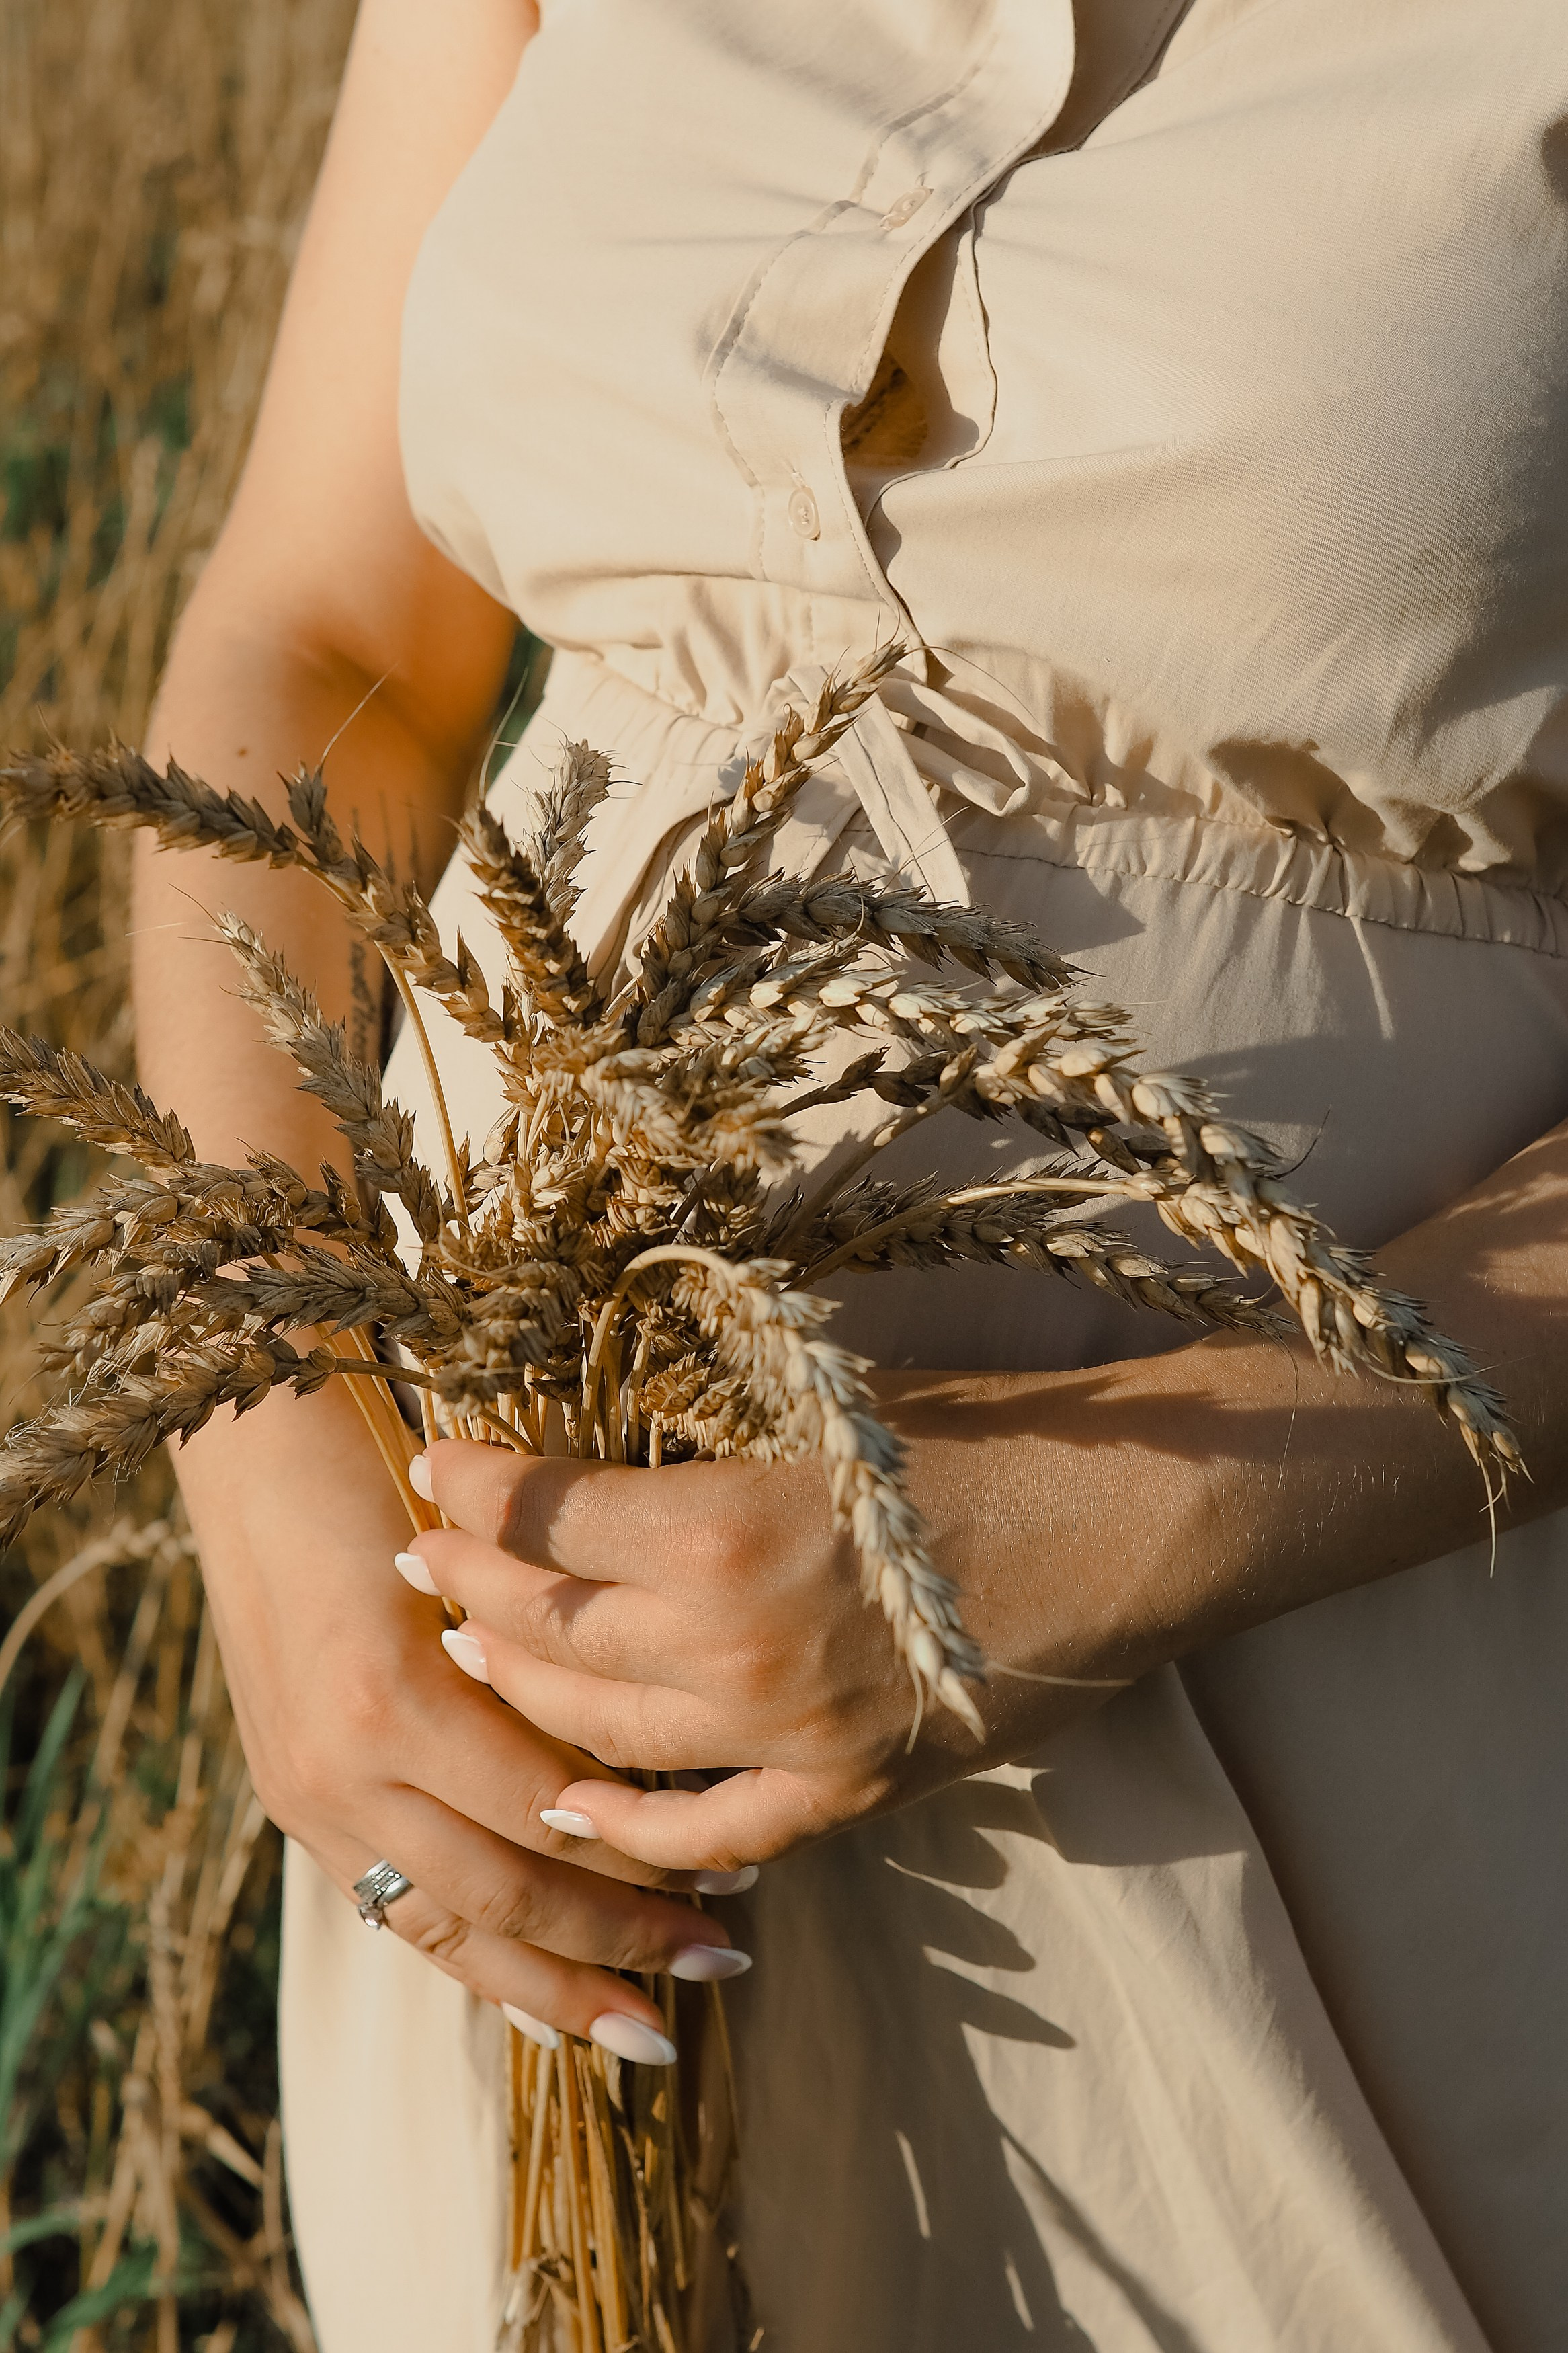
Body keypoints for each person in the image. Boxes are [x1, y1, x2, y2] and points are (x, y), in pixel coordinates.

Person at [132, 2, 1568, 2346]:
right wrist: (278, 1452)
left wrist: (1085, 1527)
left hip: (1320, 1732)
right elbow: (317, 636)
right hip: (505, 1716)